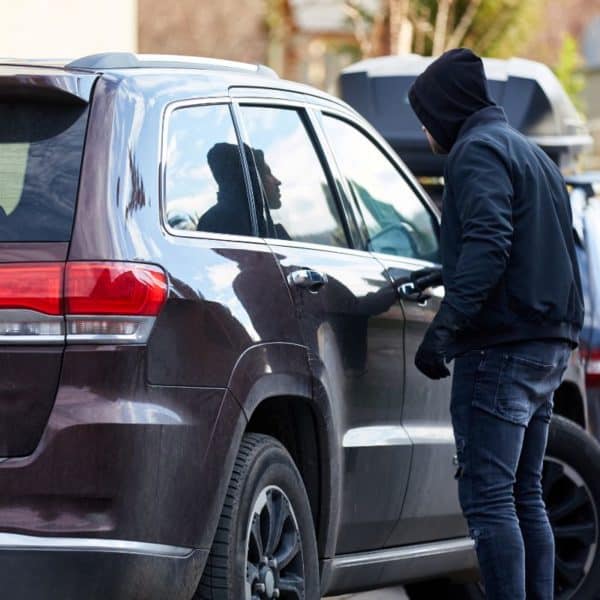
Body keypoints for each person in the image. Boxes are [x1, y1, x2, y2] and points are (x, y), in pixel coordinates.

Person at [408, 48, 583, 600]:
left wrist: (447, 328)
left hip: (500, 348)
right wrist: (445, 271)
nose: (425, 128)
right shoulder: (531, 155)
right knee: (525, 495)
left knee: (489, 499)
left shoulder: (475, 151)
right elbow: (524, 245)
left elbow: (489, 241)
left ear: (447, 109)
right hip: (547, 344)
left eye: (426, 115)